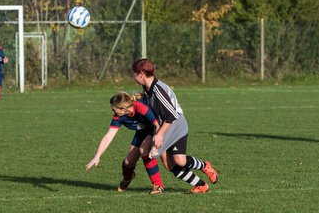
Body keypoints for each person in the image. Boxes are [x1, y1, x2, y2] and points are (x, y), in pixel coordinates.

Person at [132, 58, 219, 194]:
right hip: (164, 125)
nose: (133, 76)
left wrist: (159, 135)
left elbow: (172, 115)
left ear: (142, 73)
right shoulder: (147, 88)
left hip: (176, 124)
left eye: (134, 73)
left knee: (158, 155)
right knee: (172, 164)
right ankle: (202, 184)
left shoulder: (158, 89)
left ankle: (204, 166)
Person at [85, 91, 165, 194]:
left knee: (144, 150)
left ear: (123, 108)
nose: (113, 111)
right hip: (142, 131)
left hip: (155, 128)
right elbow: (108, 136)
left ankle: (158, 186)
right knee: (128, 163)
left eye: (114, 109)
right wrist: (97, 156)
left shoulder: (140, 106)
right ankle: (128, 178)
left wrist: (155, 144)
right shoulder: (118, 117)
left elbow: (157, 124)